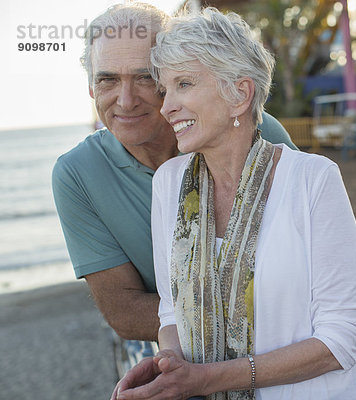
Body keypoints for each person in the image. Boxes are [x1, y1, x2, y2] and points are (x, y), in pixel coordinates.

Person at [112, 7, 356, 400]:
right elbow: (170, 311)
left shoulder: (313, 180)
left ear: (240, 94)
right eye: (166, 90)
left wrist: (207, 379)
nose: (166, 107)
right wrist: (168, 366)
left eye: (184, 84)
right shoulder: (169, 184)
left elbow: (339, 342)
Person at [51, 2, 296, 370]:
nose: (126, 100)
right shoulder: (78, 173)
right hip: (167, 347)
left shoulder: (253, 132)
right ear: (90, 87)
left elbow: (309, 263)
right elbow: (125, 311)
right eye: (107, 79)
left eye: (146, 77)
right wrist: (249, 304)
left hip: (281, 340)